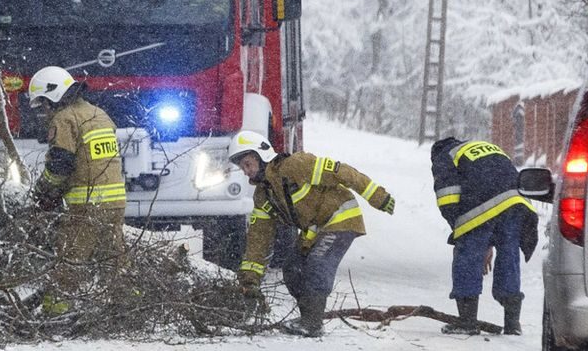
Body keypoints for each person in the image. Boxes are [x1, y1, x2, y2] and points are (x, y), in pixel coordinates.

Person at [230, 129, 396, 337]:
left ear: (261, 155)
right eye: (242, 167)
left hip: (341, 217)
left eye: (247, 164)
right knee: (292, 267)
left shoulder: (295, 166)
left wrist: (378, 197)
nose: (245, 171)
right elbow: (258, 240)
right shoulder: (263, 196)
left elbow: (342, 173)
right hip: (316, 229)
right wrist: (250, 281)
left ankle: (312, 322)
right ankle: (308, 316)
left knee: (318, 263)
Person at [27, 65, 127, 315]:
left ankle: (55, 313)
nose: (44, 113)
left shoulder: (65, 118)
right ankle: (127, 308)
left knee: (68, 262)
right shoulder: (98, 114)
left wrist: (43, 191)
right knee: (114, 262)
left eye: (43, 105)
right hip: (115, 204)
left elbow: (60, 164)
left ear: (53, 96)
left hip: (86, 206)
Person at [430, 136, 539, 335]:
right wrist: (488, 242)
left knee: (468, 257)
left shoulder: (444, 156)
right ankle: (512, 323)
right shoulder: (484, 146)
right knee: (509, 255)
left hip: (480, 201)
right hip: (516, 203)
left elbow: (448, 198)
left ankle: (467, 321)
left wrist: (461, 232)